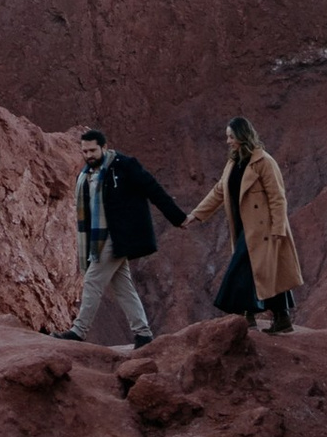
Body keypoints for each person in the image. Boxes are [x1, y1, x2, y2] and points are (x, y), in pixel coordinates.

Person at [64, 124, 187, 347]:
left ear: (104, 147)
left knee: (92, 279)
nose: (89, 155)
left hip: (121, 235)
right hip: (100, 238)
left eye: (93, 150)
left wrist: (177, 218)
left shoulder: (124, 166)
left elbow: (153, 189)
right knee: (123, 286)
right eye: (85, 151)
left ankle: (79, 330)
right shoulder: (87, 174)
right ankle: (143, 334)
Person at [189, 115, 302, 332]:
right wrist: (196, 215)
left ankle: (245, 315)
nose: (228, 141)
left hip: (264, 229)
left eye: (231, 136)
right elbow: (219, 191)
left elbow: (278, 197)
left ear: (242, 136)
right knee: (267, 271)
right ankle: (282, 318)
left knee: (242, 269)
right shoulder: (233, 162)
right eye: (227, 137)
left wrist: (279, 229)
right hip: (243, 226)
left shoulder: (264, 162)